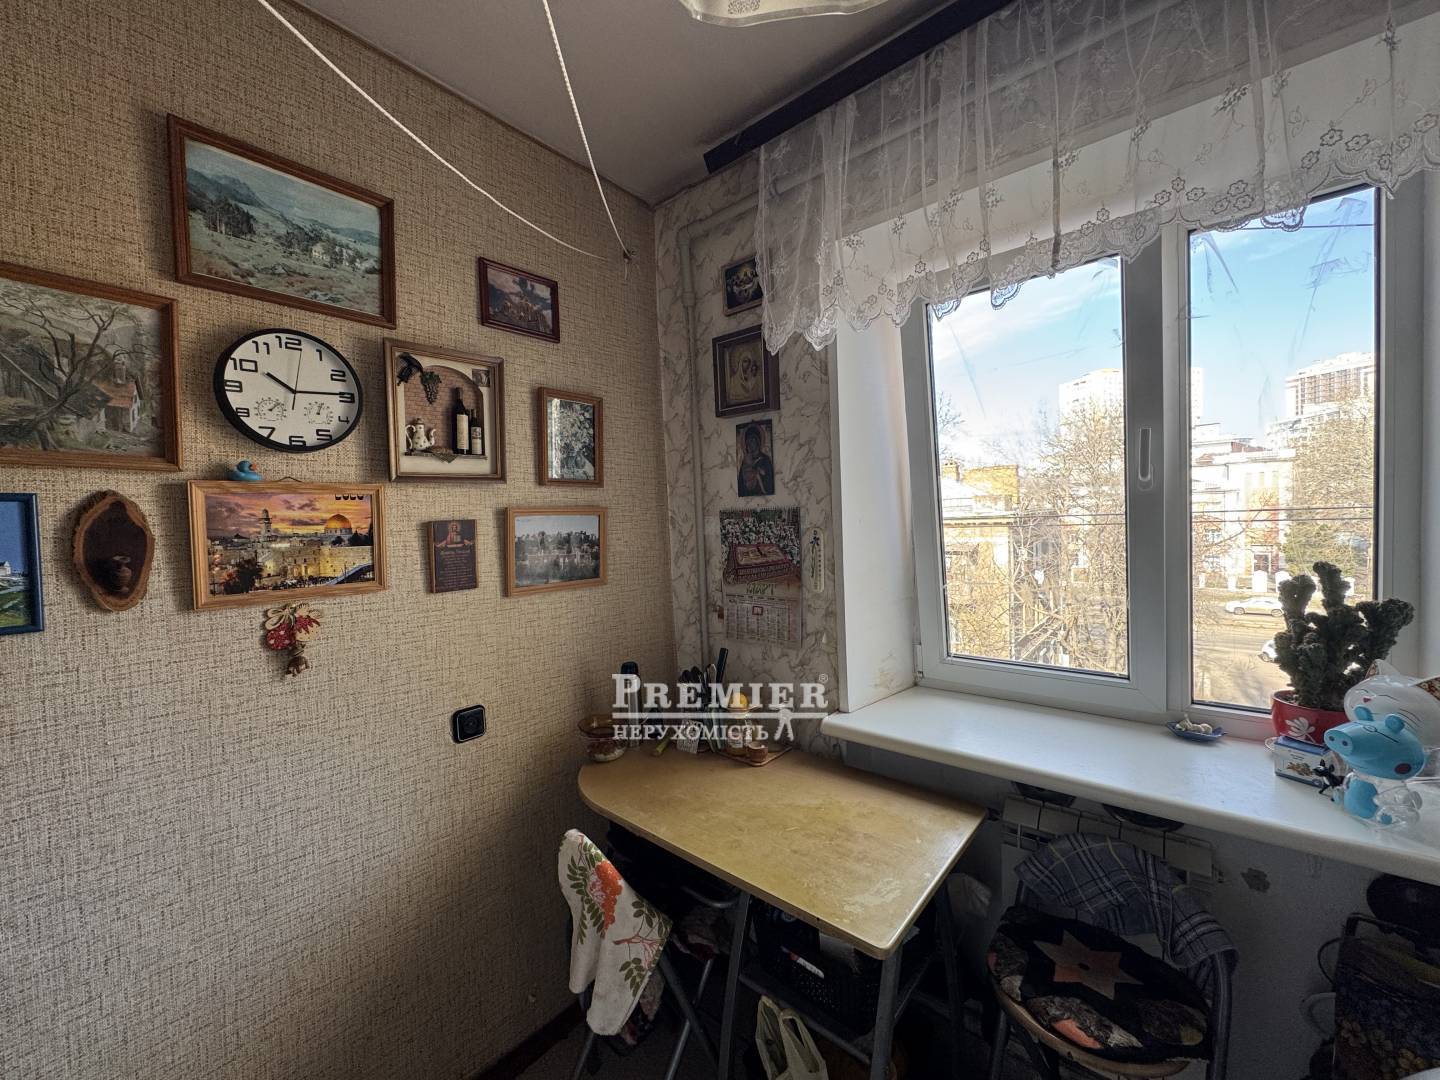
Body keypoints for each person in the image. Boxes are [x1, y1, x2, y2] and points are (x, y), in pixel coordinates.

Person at [737, 424, 774, 496]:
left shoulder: (765, 459)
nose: (751, 444)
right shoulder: (745, 460)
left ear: (758, 441)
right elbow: (741, 483)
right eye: (748, 442)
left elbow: (769, 480)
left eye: (752, 441)